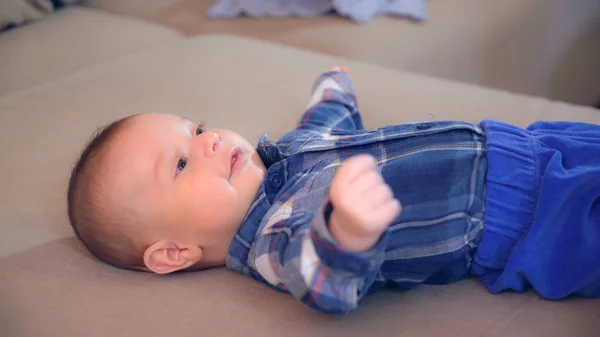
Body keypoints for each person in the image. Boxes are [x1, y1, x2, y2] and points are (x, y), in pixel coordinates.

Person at [67, 67, 600, 315]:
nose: (208, 142)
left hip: (531, 145)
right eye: (181, 163)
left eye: (197, 128)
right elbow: (319, 279)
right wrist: (345, 229)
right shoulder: (273, 238)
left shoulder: (287, 152)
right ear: (174, 252)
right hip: (534, 222)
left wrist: (333, 86)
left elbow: (329, 121)